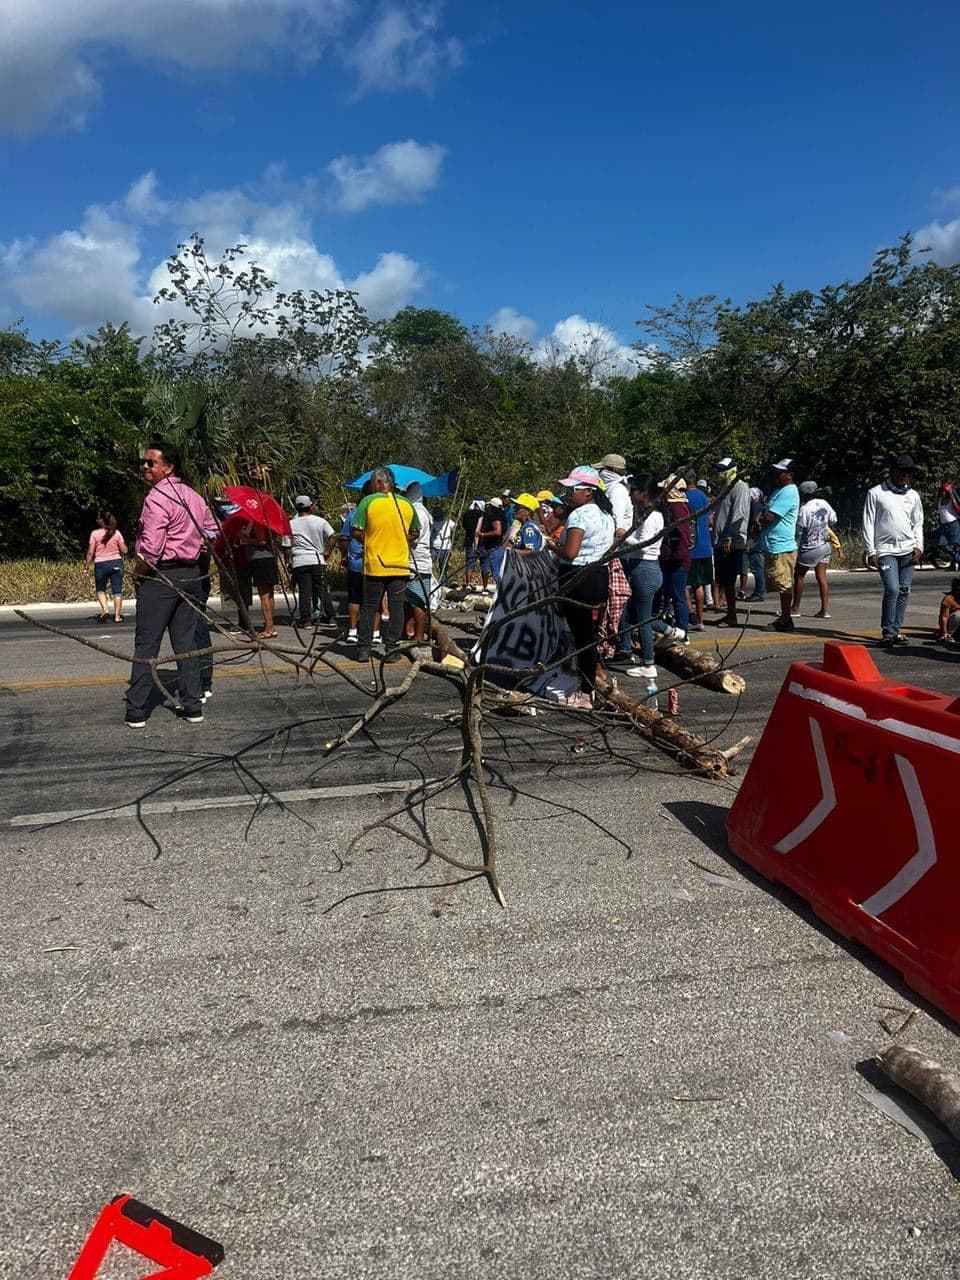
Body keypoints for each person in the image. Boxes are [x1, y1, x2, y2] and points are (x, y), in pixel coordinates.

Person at [125, 441, 218, 727]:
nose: (145, 467)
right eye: (145, 462)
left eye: (151, 463)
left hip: (161, 576)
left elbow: (151, 550)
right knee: (186, 644)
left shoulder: (157, 498)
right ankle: (192, 706)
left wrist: (137, 575)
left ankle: (136, 709)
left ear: (168, 467)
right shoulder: (193, 496)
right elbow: (213, 530)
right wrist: (199, 545)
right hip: (190, 576)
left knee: (147, 644)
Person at [547, 466, 615, 708]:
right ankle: (590, 680)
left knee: (580, 635)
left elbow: (571, 552)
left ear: (587, 491)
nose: (567, 494)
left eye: (571, 489)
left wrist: (553, 546)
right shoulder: (606, 515)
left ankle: (585, 691)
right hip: (598, 574)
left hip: (577, 576)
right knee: (588, 631)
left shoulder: (579, 515)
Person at [352, 467, 419, 662]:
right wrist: (399, 539)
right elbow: (416, 532)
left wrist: (371, 539)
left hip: (375, 564)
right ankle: (392, 650)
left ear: (380, 483)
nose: (372, 486)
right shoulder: (407, 504)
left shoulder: (368, 501)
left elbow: (356, 531)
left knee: (369, 607)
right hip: (400, 565)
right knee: (397, 607)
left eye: (373, 482)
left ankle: (364, 649)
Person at [862, 454, 924, 649]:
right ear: (892, 471)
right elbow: (868, 522)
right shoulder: (876, 493)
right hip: (885, 550)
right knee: (893, 589)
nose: (906, 476)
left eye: (909, 472)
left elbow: (918, 523)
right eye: (902, 472)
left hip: (908, 549)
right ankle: (887, 631)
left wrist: (919, 546)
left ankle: (895, 630)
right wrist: (871, 550)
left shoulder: (912, 496)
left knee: (904, 590)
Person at [616, 475, 663, 679]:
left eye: (634, 490)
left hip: (645, 568)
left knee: (642, 620)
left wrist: (623, 535)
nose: (631, 494)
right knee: (636, 615)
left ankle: (648, 662)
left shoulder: (652, 516)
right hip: (642, 568)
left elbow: (644, 543)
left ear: (644, 493)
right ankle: (670, 631)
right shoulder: (646, 514)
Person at [760, 459, 801, 632]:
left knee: (783, 584)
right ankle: (785, 616)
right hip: (774, 545)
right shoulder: (780, 490)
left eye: (780, 473)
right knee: (779, 583)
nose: (777, 476)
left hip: (781, 547)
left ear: (790, 475)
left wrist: (759, 522)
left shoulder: (789, 491)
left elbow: (770, 516)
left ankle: (786, 618)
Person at [710, 459, 750, 628]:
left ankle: (732, 615)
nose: (719, 473)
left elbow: (739, 513)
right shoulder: (727, 488)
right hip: (720, 541)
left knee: (729, 580)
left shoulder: (740, 487)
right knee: (723, 579)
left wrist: (730, 537)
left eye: (722, 470)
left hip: (731, 542)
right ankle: (729, 615)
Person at [288, 495, 337, 628]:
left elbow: (286, 545)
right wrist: (327, 551)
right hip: (317, 559)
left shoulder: (290, 524)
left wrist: (289, 561)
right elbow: (333, 536)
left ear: (296, 507)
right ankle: (331, 617)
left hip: (299, 560)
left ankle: (306, 620)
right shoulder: (320, 521)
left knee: (304, 591)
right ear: (311, 506)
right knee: (322, 589)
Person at [792, 481, 837, 619]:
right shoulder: (824, 503)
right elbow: (833, 520)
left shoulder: (804, 509)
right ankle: (824, 610)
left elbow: (799, 529)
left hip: (810, 546)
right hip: (824, 545)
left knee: (799, 576)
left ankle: (795, 608)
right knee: (822, 577)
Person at [658, 476, 693, 640]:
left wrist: (676, 557)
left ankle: (682, 630)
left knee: (678, 596)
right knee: (672, 594)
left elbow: (683, 536)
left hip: (677, 560)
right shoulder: (677, 506)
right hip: (672, 559)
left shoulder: (677, 508)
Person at [403, 482, 434, 646]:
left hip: (418, 560)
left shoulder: (417, 512)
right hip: (418, 559)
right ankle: (411, 629)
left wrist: (400, 539)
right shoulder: (421, 510)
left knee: (418, 601)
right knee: (410, 600)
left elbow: (415, 534)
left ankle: (420, 635)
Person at [241, 520, 282, 640]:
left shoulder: (257, 522)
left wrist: (246, 539)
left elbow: (262, 540)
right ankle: (270, 625)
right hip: (266, 558)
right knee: (269, 594)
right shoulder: (263, 522)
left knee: (264, 595)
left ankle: (269, 628)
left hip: (261, 560)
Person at [85, 511, 127, 623]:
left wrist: (86, 566)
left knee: (100, 589)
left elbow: (90, 552)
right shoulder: (117, 533)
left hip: (101, 564)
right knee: (117, 590)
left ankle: (105, 610)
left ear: (101, 521)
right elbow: (124, 550)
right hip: (116, 563)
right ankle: (117, 616)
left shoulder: (95, 534)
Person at [684, 471, 712, 631]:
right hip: (705, 545)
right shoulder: (703, 497)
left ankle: (691, 615)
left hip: (691, 546)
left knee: (684, 584)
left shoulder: (685, 497)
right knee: (699, 584)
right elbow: (709, 519)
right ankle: (700, 619)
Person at [594, 453, 633, 541]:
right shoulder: (610, 488)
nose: (599, 472)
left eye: (601, 469)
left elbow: (615, 522)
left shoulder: (617, 491)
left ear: (613, 470)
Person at [476, 497, 506, 588]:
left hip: (494, 547)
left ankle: (502, 592)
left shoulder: (494, 516)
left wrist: (483, 534)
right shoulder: (502, 516)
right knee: (499, 570)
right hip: (499, 546)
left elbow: (498, 531)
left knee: (496, 571)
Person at [744, 487, 766, 602]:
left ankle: (759, 592)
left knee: (756, 568)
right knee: (756, 567)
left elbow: (755, 526)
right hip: (756, 540)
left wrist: (750, 542)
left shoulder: (755, 507)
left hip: (755, 541)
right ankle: (759, 591)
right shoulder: (759, 506)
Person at [937, 482, 960, 573]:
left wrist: (951, 494)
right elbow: (933, 508)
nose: (942, 493)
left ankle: (954, 565)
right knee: (942, 544)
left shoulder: (952, 501)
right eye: (941, 491)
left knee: (955, 546)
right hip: (944, 526)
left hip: (954, 525)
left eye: (944, 491)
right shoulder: (939, 500)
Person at [462, 499, 485, 587]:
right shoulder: (484, 515)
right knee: (484, 564)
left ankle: (468, 584)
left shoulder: (466, 515)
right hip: (482, 543)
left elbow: (464, 526)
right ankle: (485, 586)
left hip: (469, 542)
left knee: (470, 564)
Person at [430, 506, 455, 581]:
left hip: (446, 547)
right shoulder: (432, 522)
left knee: (443, 567)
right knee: (430, 565)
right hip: (434, 547)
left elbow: (454, 527)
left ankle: (442, 583)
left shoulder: (448, 521)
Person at [937, 577, 960, 644]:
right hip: (952, 625)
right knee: (957, 615)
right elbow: (944, 617)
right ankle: (952, 635)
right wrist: (944, 632)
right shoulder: (948, 598)